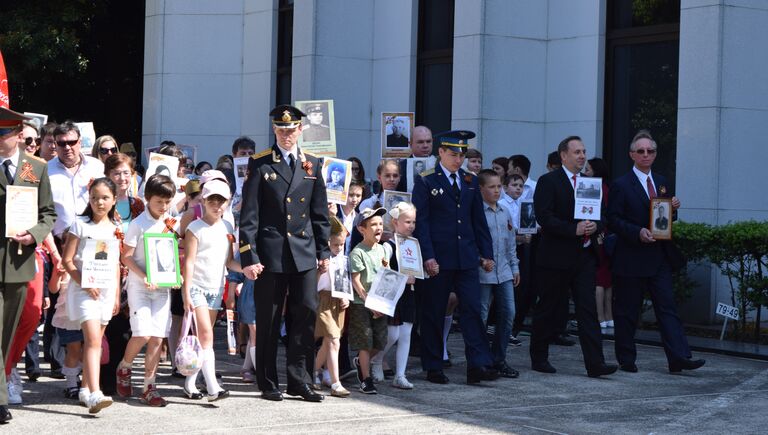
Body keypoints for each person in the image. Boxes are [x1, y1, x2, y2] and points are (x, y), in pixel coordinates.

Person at [239, 104, 330, 403]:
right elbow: (249, 217)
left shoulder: (312, 164)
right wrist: (250, 257)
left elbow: (319, 215)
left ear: (300, 130)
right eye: (281, 130)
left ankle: (299, 380)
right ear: (275, 131)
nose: (286, 135)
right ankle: (267, 381)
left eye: (291, 130)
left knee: (304, 313)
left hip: (303, 252)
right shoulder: (262, 163)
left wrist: (323, 251)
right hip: (271, 253)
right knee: (269, 317)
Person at [607, 130, 704, 374]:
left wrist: (674, 208)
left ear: (655, 153)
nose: (646, 155)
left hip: (658, 255)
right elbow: (613, 219)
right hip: (631, 255)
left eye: (650, 151)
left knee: (667, 307)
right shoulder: (621, 185)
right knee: (628, 310)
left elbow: (664, 217)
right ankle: (626, 358)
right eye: (641, 151)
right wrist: (637, 231)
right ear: (632, 155)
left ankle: (679, 357)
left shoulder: (662, 181)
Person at [411, 129, 499, 385]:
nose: (458, 160)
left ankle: (478, 364)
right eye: (453, 154)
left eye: (461, 154)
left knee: (472, 309)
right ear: (441, 153)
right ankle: (434, 364)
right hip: (439, 258)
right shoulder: (427, 180)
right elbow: (422, 223)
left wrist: (486, 253)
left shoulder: (470, 181)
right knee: (434, 311)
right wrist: (427, 256)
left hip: (466, 258)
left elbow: (478, 221)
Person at [529, 135, 616, 377]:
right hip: (556, 257)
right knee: (549, 307)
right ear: (564, 156)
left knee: (587, 310)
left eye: (584, 151)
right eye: (577, 152)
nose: (582, 156)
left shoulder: (590, 182)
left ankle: (595, 363)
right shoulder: (549, 181)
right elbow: (544, 216)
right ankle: (539, 356)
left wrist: (594, 226)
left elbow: (603, 214)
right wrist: (572, 229)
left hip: (584, 256)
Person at [0, 107, 56, 423]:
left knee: (7, 334)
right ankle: (0, 400)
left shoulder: (33, 168)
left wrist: (33, 235)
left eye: (3, 134)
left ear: (19, 135)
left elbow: (47, 213)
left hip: (19, 263)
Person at [117, 174, 179, 407]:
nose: (163, 207)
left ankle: (149, 386)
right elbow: (126, 257)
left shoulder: (172, 222)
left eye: (167, 201)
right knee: (142, 333)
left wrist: (175, 274)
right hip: (139, 286)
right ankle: (124, 366)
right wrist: (144, 276)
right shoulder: (138, 224)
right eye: (158, 201)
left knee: (157, 337)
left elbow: (172, 253)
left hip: (162, 288)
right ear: (148, 199)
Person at [61, 177, 121, 414]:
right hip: (84, 290)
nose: (99, 202)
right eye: (95, 198)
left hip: (106, 292)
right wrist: (84, 282)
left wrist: (116, 294)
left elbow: (115, 263)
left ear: (114, 199)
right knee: (94, 341)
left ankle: (85, 389)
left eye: (105, 197)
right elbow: (67, 260)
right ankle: (96, 392)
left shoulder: (116, 229)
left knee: (94, 343)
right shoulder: (80, 225)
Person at [181, 178, 241, 402]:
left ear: (227, 202)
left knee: (203, 338)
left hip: (216, 288)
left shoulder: (227, 227)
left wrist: (246, 269)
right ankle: (213, 387)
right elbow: (188, 262)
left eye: (221, 201)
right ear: (203, 201)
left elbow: (229, 261)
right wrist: (187, 292)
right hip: (196, 287)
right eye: (212, 201)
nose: (217, 205)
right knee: (206, 336)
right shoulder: (194, 228)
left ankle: (190, 382)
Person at [477, 170, 521, 378]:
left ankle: (499, 358)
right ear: (481, 189)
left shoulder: (505, 212)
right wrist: (480, 260)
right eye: (491, 187)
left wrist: (515, 267)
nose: (496, 191)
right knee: (481, 316)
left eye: (498, 187)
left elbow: (510, 243)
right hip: (482, 272)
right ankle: (481, 359)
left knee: (508, 313)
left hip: (503, 271)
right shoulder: (476, 213)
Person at [370, 202, 418, 389]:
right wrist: (402, 280)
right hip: (393, 295)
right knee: (393, 334)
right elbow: (383, 272)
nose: (411, 225)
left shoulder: (413, 244)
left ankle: (400, 374)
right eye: (407, 221)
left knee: (406, 334)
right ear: (395, 222)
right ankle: (376, 359)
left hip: (409, 294)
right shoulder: (388, 246)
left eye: (413, 222)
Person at [348, 207, 389, 394]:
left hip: (379, 304)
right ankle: (366, 379)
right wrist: (368, 301)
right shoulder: (357, 252)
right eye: (373, 224)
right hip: (361, 305)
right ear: (362, 229)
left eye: (380, 223)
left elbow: (385, 276)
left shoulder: (382, 250)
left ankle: (360, 362)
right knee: (365, 342)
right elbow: (355, 280)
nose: (378, 227)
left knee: (380, 341)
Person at [312, 216, 351, 397]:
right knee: (333, 340)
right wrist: (321, 271)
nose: (339, 248)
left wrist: (346, 297)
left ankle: (312, 371)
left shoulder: (342, 259)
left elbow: (344, 281)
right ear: (328, 242)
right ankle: (336, 383)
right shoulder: (322, 260)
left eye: (342, 244)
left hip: (338, 302)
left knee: (330, 342)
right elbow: (315, 285)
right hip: (324, 301)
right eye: (336, 245)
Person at [48, 121, 106, 239]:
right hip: (60, 243)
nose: (67, 147)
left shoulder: (96, 166)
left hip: (93, 238)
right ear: (55, 144)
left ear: (80, 142)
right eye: (62, 143)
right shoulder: (46, 170)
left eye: (71, 142)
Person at [587, 157, 613, 329]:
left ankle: (600, 317)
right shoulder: (608, 188)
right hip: (608, 237)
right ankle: (609, 317)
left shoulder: (593, 188)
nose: (585, 172)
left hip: (597, 236)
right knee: (608, 279)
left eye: (588, 169)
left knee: (597, 280)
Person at [396, 125, 434, 192]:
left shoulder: (440, 164)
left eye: (428, 141)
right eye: (420, 142)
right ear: (410, 144)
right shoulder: (400, 167)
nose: (425, 145)